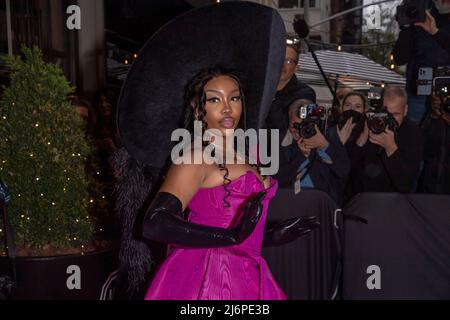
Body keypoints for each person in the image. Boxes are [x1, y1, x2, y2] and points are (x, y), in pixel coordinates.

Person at [113, 2, 319, 300]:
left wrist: (269, 235)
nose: (227, 107)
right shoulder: (195, 155)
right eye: (215, 99)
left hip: (246, 272)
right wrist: (231, 236)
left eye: (234, 98)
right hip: (207, 279)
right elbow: (155, 223)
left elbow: (225, 220)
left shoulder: (245, 156)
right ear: (199, 109)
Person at [345, 86, 424, 198]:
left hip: (393, 202)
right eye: (388, 113)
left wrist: (390, 148)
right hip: (362, 198)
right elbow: (348, 168)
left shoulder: (413, 133)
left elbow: (406, 184)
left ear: (405, 110)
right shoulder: (369, 122)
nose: (391, 119)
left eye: (396, 114)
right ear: (380, 108)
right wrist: (362, 139)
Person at [274, 99, 350, 205]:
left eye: (304, 125)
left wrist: (324, 146)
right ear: (288, 119)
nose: (299, 130)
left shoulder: (328, 137)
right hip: (290, 203)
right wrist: (301, 156)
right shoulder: (277, 140)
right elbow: (276, 180)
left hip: (323, 203)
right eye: (294, 125)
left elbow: (344, 171)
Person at [392, 0, 450, 124]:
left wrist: (435, 33)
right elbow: (399, 58)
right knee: (415, 138)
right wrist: (406, 21)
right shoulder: (419, 10)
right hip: (419, 93)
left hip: (446, 93)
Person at [265, 40, 316, 133]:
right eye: (279, 59)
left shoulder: (304, 92)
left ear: (296, 68)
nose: (282, 65)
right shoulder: (259, 88)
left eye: (289, 61)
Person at [418, 92, 450, 193]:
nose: (438, 105)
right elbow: (425, 148)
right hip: (433, 171)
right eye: (435, 103)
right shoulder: (429, 121)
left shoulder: (445, 119)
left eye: (440, 103)